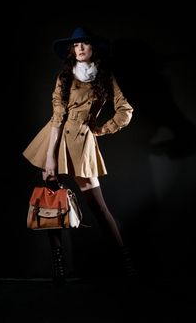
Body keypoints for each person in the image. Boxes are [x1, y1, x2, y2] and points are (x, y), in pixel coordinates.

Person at [23, 26, 136, 284]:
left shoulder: (105, 77)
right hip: (56, 140)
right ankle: (59, 268)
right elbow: (57, 116)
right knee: (53, 206)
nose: (80, 48)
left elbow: (125, 109)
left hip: (83, 142)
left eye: (84, 44)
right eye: (76, 45)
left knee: (98, 206)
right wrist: (50, 157)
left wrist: (102, 129)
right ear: (71, 51)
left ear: (92, 47)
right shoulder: (64, 77)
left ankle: (126, 264)